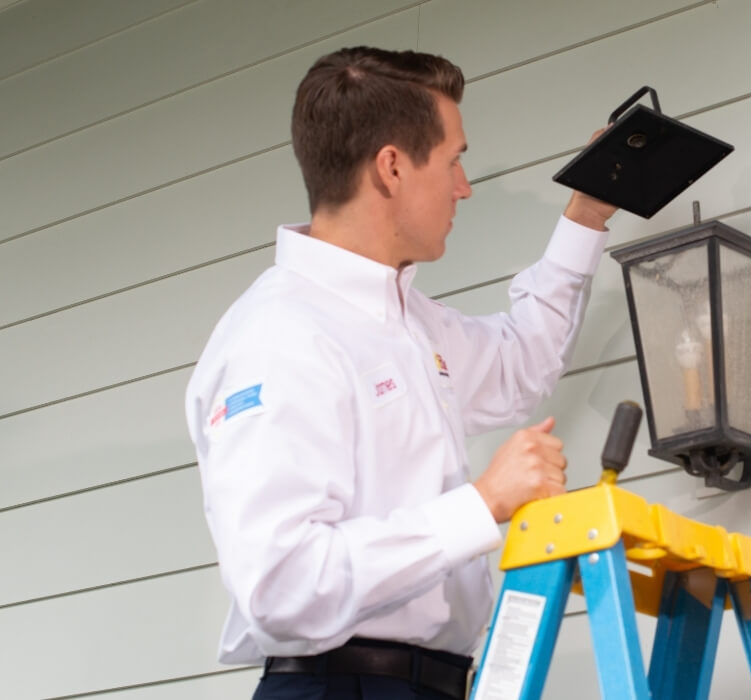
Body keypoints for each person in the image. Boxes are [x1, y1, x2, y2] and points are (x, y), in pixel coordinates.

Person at [183, 46, 616, 700]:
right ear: (391, 167)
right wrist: (481, 504)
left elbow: (522, 363)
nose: (464, 185)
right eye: (453, 159)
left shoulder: (411, 323)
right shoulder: (280, 337)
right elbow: (282, 582)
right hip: (343, 688)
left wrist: (587, 213)